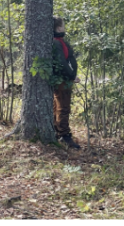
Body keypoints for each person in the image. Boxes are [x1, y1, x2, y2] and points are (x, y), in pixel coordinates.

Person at [52, 16, 81, 150]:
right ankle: (64, 135)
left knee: (60, 107)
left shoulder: (61, 42)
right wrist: (71, 76)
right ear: (58, 28)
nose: (64, 28)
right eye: (63, 25)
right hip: (62, 80)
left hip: (65, 79)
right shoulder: (56, 43)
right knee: (62, 108)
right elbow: (62, 63)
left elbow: (69, 58)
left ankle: (58, 131)